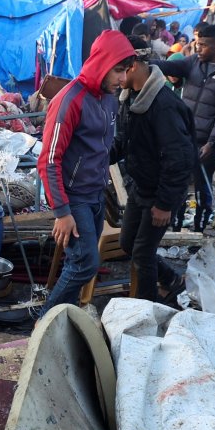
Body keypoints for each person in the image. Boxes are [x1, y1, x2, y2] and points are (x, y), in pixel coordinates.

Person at [39, 30, 130, 314]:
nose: (123, 79)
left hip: (96, 194)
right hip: (73, 198)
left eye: (125, 71)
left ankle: (65, 321)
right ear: (102, 63)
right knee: (85, 264)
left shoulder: (108, 99)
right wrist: (62, 212)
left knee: (77, 263)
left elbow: (102, 148)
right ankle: (44, 325)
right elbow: (49, 160)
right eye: (118, 70)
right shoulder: (69, 100)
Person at [114, 36, 195, 300]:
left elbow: (180, 159)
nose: (115, 76)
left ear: (134, 65)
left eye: (118, 69)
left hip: (161, 192)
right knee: (127, 243)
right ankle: (171, 278)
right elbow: (123, 142)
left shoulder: (163, 105)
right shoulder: (130, 97)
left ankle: (148, 310)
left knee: (142, 254)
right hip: (141, 186)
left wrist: (165, 203)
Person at [154, 24, 215, 232]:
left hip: (205, 142)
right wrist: (145, 62)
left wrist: (212, 143)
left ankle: (199, 229)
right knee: (177, 183)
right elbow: (168, 67)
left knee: (203, 187)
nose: (198, 49)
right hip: (182, 136)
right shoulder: (194, 62)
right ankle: (174, 227)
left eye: (203, 45)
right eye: (197, 44)